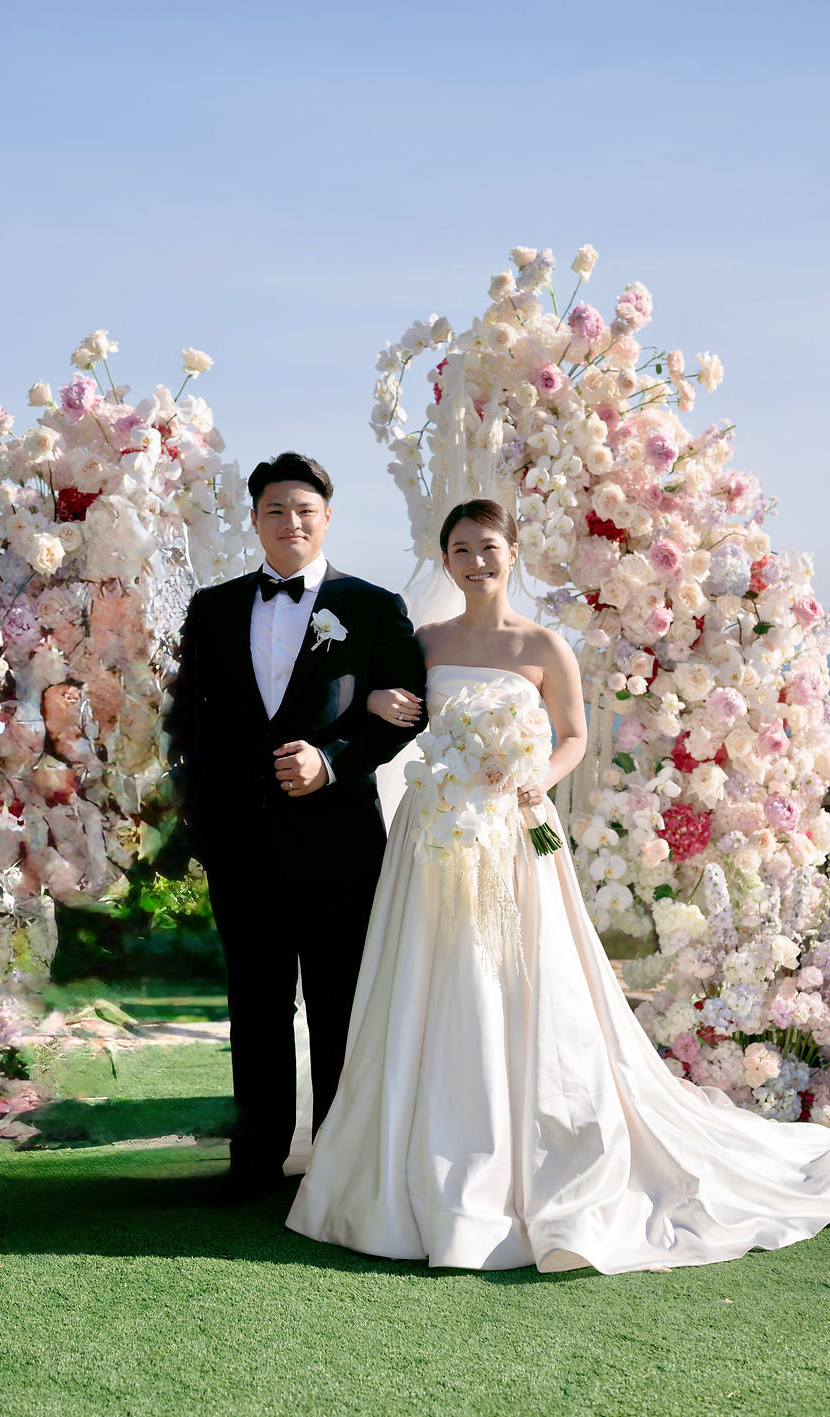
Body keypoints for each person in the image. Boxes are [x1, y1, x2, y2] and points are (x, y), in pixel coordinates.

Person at [286, 499, 830, 1274]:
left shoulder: (545, 645)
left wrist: (536, 777)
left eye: (489, 548)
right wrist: (375, 700)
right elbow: (393, 714)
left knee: (513, 983)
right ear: (447, 561)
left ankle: (525, 1159)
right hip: (431, 837)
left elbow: (573, 734)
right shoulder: (424, 640)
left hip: (512, 836)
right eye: (462, 550)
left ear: (514, 554)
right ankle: (417, 1165)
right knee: (426, 986)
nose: (477, 561)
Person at [168, 452, 427, 1205]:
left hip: (341, 843)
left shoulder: (373, 607)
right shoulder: (212, 609)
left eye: (304, 509)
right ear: (255, 520)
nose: (291, 522)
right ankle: (255, 1162)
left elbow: (409, 704)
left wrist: (335, 759)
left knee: (342, 1003)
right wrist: (201, 821)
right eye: (276, 510)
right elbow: (190, 721)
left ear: (327, 516)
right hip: (242, 844)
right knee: (255, 1004)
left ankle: (341, 1163)